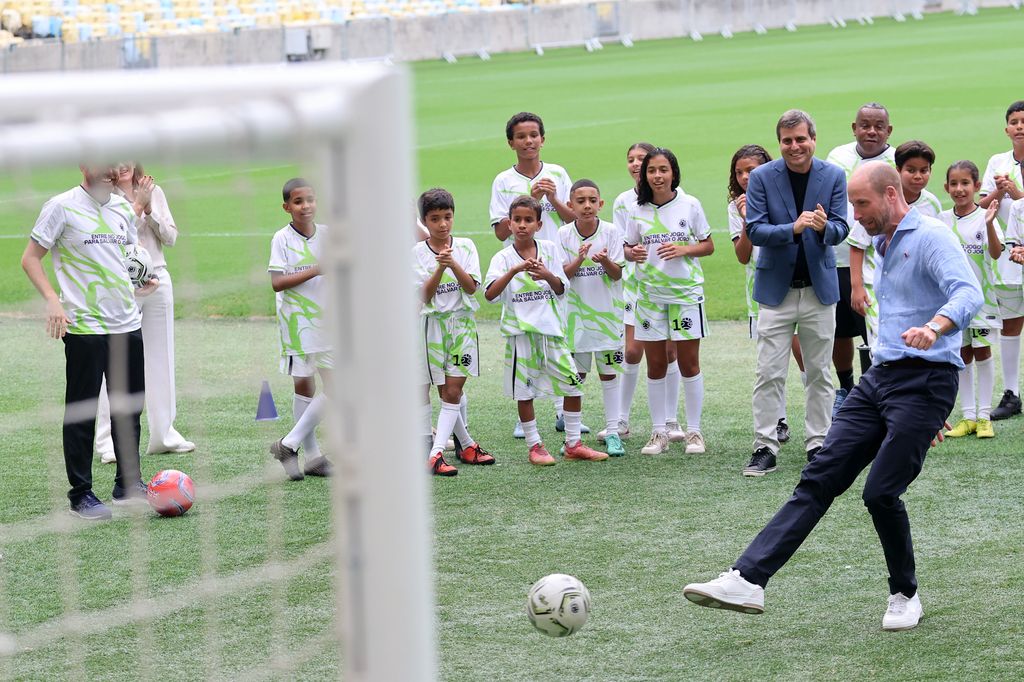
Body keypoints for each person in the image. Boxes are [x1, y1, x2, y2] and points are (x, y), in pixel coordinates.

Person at [683, 161, 983, 632]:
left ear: (889, 194)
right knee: (818, 476)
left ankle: (905, 594)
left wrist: (935, 328)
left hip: (925, 382)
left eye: (861, 204)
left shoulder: (931, 235)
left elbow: (968, 294)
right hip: (881, 379)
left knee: (880, 492)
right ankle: (748, 578)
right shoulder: (883, 243)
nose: (855, 215)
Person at [21, 164, 155, 520]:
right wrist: (52, 299)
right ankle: (81, 494)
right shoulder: (61, 206)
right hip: (84, 326)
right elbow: (30, 259)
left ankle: (128, 483)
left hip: (126, 322)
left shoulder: (122, 208)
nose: (111, 170)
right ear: (84, 165)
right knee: (81, 410)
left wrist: (140, 279)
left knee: (129, 407)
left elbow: (127, 257)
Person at [742, 110, 849, 476]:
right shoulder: (761, 177)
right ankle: (764, 447)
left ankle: (818, 443)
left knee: (819, 372)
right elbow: (755, 230)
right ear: (780, 144)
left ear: (813, 139)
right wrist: (794, 227)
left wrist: (823, 228)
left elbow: (842, 227)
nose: (794, 147)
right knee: (768, 372)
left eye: (801, 139)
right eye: (787, 141)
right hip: (776, 290)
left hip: (819, 289)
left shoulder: (833, 175)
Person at [484, 195, 607, 465]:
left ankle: (573, 444)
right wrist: (514, 271)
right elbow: (490, 295)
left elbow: (562, 287)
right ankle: (534, 445)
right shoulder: (503, 257)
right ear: (509, 223)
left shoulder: (550, 249)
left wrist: (547, 275)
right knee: (525, 392)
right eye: (517, 220)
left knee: (573, 385)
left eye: (529, 220)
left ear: (539, 224)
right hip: (521, 336)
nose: (522, 225)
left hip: (552, 333)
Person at [488, 111, 585, 438]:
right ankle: (524, 416)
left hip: (552, 261)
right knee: (525, 336)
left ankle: (562, 411)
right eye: (521, 136)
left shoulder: (557, 172)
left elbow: (576, 220)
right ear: (511, 143)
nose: (528, 141)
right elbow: (501, 232)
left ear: (543, 138)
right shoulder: (503, 181)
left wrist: (554, 197)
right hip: (518, 266)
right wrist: (530, 199)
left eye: (534, 135)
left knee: (558, 331)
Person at [95, 161, 194, 464]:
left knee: (161, 357)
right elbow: (108, 237)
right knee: (115, 361)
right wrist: (137, 206)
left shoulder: (154, 190)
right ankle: (107, 442)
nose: (122, 164)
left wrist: (149, 209)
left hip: (158, 279)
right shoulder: (102, 196)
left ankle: (164, 434)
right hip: (121, 284)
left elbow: (171, 238)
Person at [624, 147, 714, 456]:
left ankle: (694, 432)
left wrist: (683, 249)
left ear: (673, 172)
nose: (657, 176)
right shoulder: (637, 209)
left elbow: (708, 245)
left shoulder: (690, 205)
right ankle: (658, 432)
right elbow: (629, 247)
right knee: (656, 364)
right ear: (645, 175)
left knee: (689, 363)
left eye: (663, 169)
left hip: (686, 294)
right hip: (649, 296)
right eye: (652, 171)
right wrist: (632, 253)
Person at [727, 144, 806, 447]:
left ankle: (823, 419)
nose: (746, 177)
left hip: (795, 282)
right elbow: (742, 255)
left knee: (805, 358)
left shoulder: (783, 194)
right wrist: (747, 218)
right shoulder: (736, 206)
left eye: (752, 170)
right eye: (740, 172)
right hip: (761, 290)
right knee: (771, 362)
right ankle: (778, 420)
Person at [414, 188, 495, 476]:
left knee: (454, 390)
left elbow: (472, 286)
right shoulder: (416, 254)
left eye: (447, 217)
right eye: (435, 219)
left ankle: (435, 454)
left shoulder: (465, 246)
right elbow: (423, 297)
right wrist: (439, 269)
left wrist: (452, 263)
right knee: (442, 389)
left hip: (461, 325)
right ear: (425, 221)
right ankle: (465, 445)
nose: (443, 224)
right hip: (431, 329)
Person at [608, 142, 685, 444]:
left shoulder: (674, 199)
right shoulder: (624, 202)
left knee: (668, 352)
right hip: (633, 286)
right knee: (631, 351)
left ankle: (671, 419)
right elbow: (620, 244)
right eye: (631, 159)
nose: (636, 164)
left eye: (643, 159)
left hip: (664, 286)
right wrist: (631, 251)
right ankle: (621, 420)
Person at [825, 103, 895, 416]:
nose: (871, 131)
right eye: (864, 125)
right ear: (854, 127)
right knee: (840, 329)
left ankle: (876, 385)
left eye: (878, 126)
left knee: (876, 327)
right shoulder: (837, 157)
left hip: (881, 263)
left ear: (888, 131)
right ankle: (845, 386)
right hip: (838, 257)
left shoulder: (896, 159)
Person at [267, 178, 333, 480]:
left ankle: (288, 444)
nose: (305, 206)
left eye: (310, 199)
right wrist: (317, 268)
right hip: (297, 324)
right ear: (286, 207)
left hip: (330, 323)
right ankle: (313, 457)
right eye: (297, 202)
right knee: (304, 388)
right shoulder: (281, 239)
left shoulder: (328, 236)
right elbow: (277, 282)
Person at [850, 140, 942, 349]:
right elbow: (857, 244)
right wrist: (857, 287)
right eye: (911, 170)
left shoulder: (932, 203)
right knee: (880, 344)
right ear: (898, 171)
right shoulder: (878, 201)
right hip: (876, 290)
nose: (918, 176)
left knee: (911, 341)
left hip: (914, 289)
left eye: (924, 170)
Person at [558, 179, 626, 457]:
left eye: (592, 200)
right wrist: (580, 258)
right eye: (580, 201)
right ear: (571, 205)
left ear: (601, 204)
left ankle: (613, 432)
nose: (587, 206)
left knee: (609, 375)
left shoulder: (611, 231)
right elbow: (562, 274)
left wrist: (604, 261)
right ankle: (572, 438)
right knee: (576, 377)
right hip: (575, 320)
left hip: (607, 318)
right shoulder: (563, 234)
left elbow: (617, 272)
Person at [939, 161, 1004, 439]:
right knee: (962, 354)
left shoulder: (986, 216)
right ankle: (967, 417)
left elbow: (997, 252)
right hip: (954, 302)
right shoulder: (942, 219)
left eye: (965, 183)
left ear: (977, 187)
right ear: (946, 187)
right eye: (954, 184)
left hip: (982, 300)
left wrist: (989, 225)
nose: (959, 189)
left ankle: (985, 416)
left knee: (983, 351)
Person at [979, 101, 1024, 421]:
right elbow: (981, 204)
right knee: (1011, 324)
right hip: (1009, 257)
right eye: (1014, 121)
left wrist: (1017, 193)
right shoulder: (998, 161)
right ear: (1006, 129)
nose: (1020, 126)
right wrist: (999, 191)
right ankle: (1011, 393)